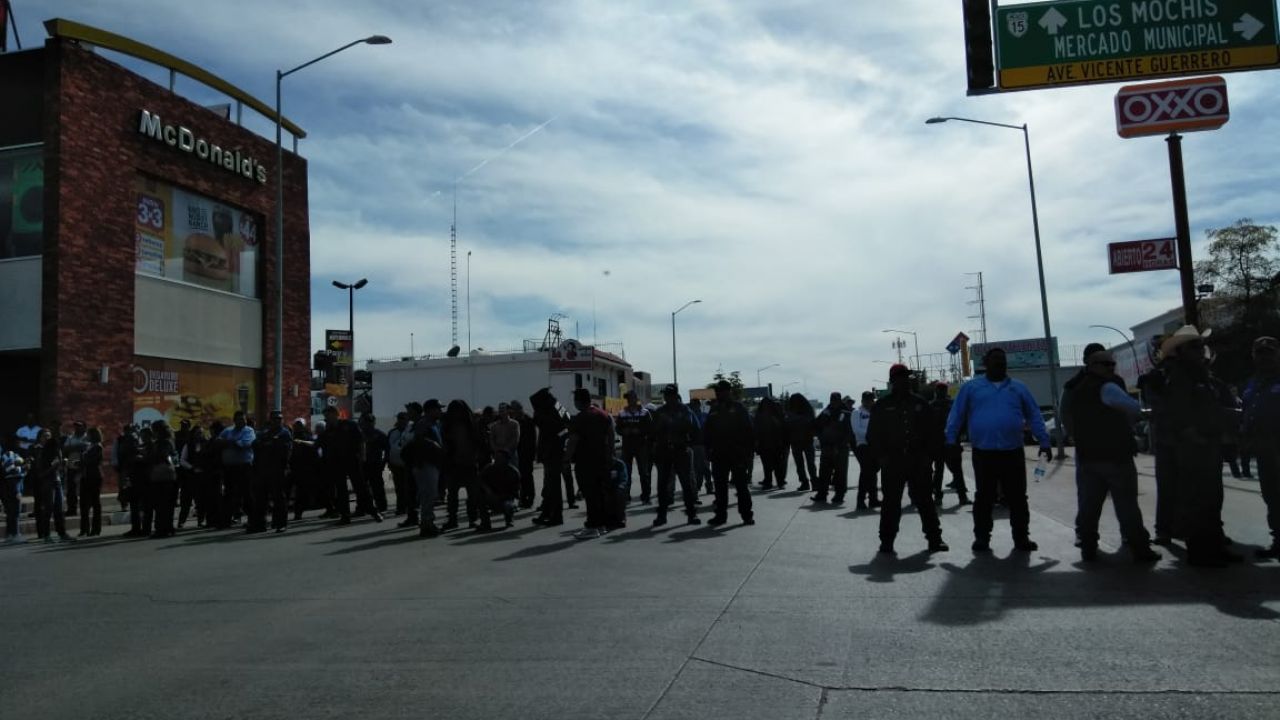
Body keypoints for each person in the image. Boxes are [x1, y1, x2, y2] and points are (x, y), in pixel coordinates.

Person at [945, 347, 1050, 553]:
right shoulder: (971, 388)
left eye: (1003, 360)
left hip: (1013, 452)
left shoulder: (1019, 388)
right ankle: (982, 538)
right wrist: (950, 441)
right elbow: (956, 415)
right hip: (984, 453)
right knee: (984, 497)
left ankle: (1021, 538)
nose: (1000, 363)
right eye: (995, 360)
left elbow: (1034, 415)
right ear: (985, 363)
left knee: (1018, 498)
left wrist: (1044, 442)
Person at [1067, 350, 1161, 563]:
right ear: (1092, 366)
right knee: (1127, 505)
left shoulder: (1076, 388)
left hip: (1088, 457)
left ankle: (1088, 547)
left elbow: (1070, 418)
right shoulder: (1107, 387)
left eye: (1112, 364)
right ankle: (1140, 548)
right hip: (1115, 456)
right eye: (1106, 364)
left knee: (1089, 507)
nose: (1111, 368)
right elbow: (1134, 408)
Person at [867, 364, 948, 555]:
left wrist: (929, 456)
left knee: (925, 501)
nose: (904, 380)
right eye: (900, 377)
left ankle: (934, 539)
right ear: (892, 380)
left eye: (906, 377)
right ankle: (886, 541)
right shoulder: (882, 405)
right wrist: (881, 458)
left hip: (918, 460)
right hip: (893, 461)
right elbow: (873, 435)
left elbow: (933, 432)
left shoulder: (920, 403)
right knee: (891, 503)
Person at [1243, 336, 1280, 560]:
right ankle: (1279, 539)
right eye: (1260, 352)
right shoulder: (1254, 382)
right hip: (1264, 448)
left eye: (1269, 352)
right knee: (1272, 496)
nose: (1264, 356)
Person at [564, 388, 620, 538]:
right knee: (601, 493)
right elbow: (611, 436)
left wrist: (566, 459)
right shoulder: (604, 415)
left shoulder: (580, 418)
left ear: (579, 401)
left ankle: (592, 526)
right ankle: (602, 525)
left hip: (585, 461)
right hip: (602, 460)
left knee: (590, 494)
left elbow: (573, 441)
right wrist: (610, 456)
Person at [703, 380, 754, 527]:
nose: (718, 394)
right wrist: (708, 450)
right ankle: (720, 516)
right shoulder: (714, 409)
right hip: (719, 454)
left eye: (721, 391)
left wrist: (747, 452)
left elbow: (749, 431)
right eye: (717, 391)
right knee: (720, 488)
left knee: (741, 487)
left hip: (737, 453)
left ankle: (747, 516)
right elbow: (708, 432)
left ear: (728, 391)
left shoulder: (738, 408)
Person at [650, 384, 703, 526]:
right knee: (662, 485)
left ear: (674, 395)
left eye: (668, 395)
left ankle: (692, 515)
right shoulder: (660, 411)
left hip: (681, 450)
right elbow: (652, 431)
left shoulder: (685, 410)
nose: (666, 397)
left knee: (687, 484)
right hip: (664, 451)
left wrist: (687, 442)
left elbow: (695, 429)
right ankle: (661, 515)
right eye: (665, 395)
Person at [320, 406, 379, 525]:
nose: (327, 418)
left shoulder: (350, 425)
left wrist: (363, 457)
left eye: (328, 415)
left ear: (336, 414)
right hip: (337, 463)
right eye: (325, 416)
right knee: (341, 491)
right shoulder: (328, 430)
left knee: (360, 487)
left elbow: (361, 440)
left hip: (352, 460)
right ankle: (345, 517)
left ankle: (373, 511)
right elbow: (322, 445)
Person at [404, 399, 444, 537]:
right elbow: (418, 441)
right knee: (427, 495)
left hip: (432, 464)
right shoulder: (423, 423)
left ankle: (428, 522)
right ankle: (427, 524)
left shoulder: (433, 423)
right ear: (430, 410)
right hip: (424, 464)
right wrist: (433, 444)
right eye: (438, 408)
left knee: (430, 494)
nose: (440, 411)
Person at [530, 388, 570, 528]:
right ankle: (546, 513)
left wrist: (558, 439)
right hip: (549, 452)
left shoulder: (550, 410)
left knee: (553, 486)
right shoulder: (554, 406)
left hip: (553, 453)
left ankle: (556, 515)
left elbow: (567, 426)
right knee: (549, 486)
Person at [441, 400, 481, 531]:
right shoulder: (447, 425)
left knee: (472, 494)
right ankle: (453, 519)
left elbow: (478, 443)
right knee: (452, 495)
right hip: (454, 463)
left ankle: (472, 519)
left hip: (469, 463)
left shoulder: (471, 425)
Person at [251, 411, 293, 533]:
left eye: (279, 419)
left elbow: (283, 450)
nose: (277, 421)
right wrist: (268, 444)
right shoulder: (265, 433)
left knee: (279, 498)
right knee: (261, 498)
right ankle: (260, 524)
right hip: (263, 470)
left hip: (278, 469)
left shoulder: (284, 433)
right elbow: (255, 445)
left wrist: (268, 444)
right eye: (274, 419)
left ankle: (281, 523)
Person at [928, 383, 969, 507]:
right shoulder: (953, 404)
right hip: (951, 442)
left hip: (939, 443)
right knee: (956, 471)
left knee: (939, 471)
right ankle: (962, 497)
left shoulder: (931, 406)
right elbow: (962, 420)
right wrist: (961, 435)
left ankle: (938, 497)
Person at [812, 391, 854, 504]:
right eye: (832, 399)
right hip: (826, 448)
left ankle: (839, 495)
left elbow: (849, 432)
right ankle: (822, 494)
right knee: (824, 472)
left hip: (841, 449)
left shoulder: (846, 413)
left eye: (836, 399)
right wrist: (821, 439)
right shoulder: (826, 412)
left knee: (840, 473)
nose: (834, 402)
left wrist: (841, 444)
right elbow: (816, 426)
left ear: (840, 400)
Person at [32, 428, 71, 543]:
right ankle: (46, 535)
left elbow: (60, 468)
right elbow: (41, 473)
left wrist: (63, 464)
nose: (47, 438)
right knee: (48, 508)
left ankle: (62, 533)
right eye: (45, 436)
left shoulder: (55, 449)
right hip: (47, 483)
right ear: (40, 438)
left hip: (57, 481)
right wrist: (53, 467)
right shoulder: (40, 452)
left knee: (59, 509)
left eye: (49, 436)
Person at [218, 411, 256, 528]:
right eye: (239, 419)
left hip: (244, 467)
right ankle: (226, 520)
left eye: (243, 419)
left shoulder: (249, 431)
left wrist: (228, 443)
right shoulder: (228, 431)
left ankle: (252, 520)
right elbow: (218, 442)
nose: (241, 421)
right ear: (234, 420)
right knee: (229, 494)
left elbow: (244, 444)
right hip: (229, 468)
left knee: (247, 494)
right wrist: (233, 443)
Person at [615, 390, 654, 503]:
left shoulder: (645, 412)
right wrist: (623, 431)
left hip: (642, 446)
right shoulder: (622, 413)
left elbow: (651, 429)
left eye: (631, 398)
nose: (629, 400)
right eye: (627, 399)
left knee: (644, 473)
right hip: (627, 447)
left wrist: (640, 431)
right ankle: (626, 497)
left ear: (636, 398)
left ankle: (646, 497)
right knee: (626, 472)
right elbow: (618, 428)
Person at [147, 421, 179, 538]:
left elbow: (161, 456)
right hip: (168, 474)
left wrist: (149, 456)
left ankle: (162, 528)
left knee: (161, 504)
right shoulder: (169, 441)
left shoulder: (162, 443)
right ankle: (168, 527)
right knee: (167, 504)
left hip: (161, 475)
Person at [753, 397, 788, 490]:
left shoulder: (765, 415)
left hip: (773, 444)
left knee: (773, 465)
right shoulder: (771, 415)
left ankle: (773, 482)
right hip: (768, 444)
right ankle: (775, 482)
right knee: (772, 465)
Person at [288, 419, 320, 521]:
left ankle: (298, 513)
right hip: (293, 467)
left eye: (299, 425)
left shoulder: (306, 436)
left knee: (301, 492)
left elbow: (313, 445)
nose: (297, 427)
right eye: (296, 425)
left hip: (304, 468)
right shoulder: (291, 436)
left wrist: (302, 442)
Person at [785, 394, 817, 491]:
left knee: (804, 464)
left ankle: (807, 483)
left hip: (801, 441)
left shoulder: (792, 414)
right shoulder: (808, 412)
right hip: (802, 441)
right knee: (807, 464)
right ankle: (811, 482)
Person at [359, 414, 390, 514]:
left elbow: (388, 450)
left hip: (375, 464)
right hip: (362, 464)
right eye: (365, 421)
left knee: (377, 487)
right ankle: (362, 508)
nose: (366, 424)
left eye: (369, 421)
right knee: (362, 488)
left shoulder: (379, 435)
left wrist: (384, 462)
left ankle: (381, 506)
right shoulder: (359, 435)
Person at [178, 426, 208, 529]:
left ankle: (201, 521)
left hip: (202, 476)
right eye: (197, 433)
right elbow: (182, 460)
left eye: (201, 433)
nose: (199, 435)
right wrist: (192, 468)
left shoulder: (206, 444)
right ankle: (181, 522)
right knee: (186, 501)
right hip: (190, 477)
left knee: (201, 500)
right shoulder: (188, 445)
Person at [510, 400, 538, 509]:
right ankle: (522, 498)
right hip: (517, 453)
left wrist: (532, 453)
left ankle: (529, 498)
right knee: (519, 477)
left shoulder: (528, 420)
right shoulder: (514, 421)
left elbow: (532, 438)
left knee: (527, 477)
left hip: (526, 453)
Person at [387, 410, 414, 519]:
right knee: (399, 487)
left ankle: (410, 507)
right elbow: (388, 448)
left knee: (409, 487)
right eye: (399, 418)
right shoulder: (392, 432)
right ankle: (401, 507)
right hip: (395, 464)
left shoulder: (410, 432)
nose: (401, 421)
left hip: (408, 464)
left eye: (403, 419)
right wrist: (388, 462)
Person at [78, 427, 105, 537]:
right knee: (84, 504)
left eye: (88, 434)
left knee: (95, 503)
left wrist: (82, 462)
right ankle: (84, 529)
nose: (86, 436)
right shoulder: (88, 446)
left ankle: (96, 529)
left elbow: (92, 461)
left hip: (94, 476)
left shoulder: (98, 447)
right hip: (86, 476)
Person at [3, 436, 27, 543]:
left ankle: (10, 534)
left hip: (11, 486)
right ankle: (15, 534)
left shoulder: (14, 455)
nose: (19, 444)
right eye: (18, 442)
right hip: (12, 487)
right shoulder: (9, 454)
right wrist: (23, 467)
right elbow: (10, 471)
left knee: (10, 512)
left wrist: (24, 468)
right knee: (15, 511)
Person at [62, 420, 88, 516]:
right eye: (76, 426)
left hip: (84, 466)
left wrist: (73, 447)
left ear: (84, 427)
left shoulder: (87, 437)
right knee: (71, 489)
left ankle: (84, 509)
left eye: (79, 426)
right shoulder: (70, 437)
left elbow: (86, 448)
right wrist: (78, 447)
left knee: (84, 489)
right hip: (71, 465)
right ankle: (72, 509)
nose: (77, 428)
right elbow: (65, 450)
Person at [688, 398, 713, 494]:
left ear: (698, 405)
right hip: (693, 445)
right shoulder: (689, 416)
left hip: (703, 445)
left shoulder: (704, 416)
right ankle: (697, 486)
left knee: (705, 468)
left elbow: (709, 430)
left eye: (694, 405)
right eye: (691, 405)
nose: (692, 407)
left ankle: (709, 486)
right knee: (695, 468)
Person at [488, 403, 521, 471]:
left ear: (508, 411)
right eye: (500, 410)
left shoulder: (514, 424)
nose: (502, 412)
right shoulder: (494, 426)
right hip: (498, 455)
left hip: (511, 454)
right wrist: (497, 449)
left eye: (503, 410)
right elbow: (491, 439)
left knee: (513, 473)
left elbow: (515, 438)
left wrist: (506, 449)